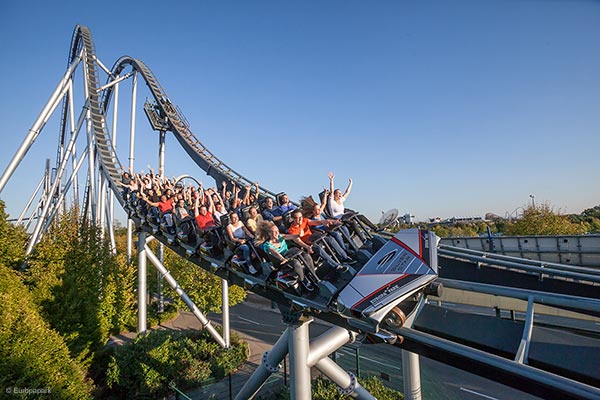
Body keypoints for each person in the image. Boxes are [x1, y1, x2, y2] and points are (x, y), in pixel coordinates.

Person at [257, 221, 318, 291]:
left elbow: (289, 236)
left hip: (288, 255)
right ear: (269, 233)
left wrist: (298, 235)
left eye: (277, 230)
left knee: (306, 255)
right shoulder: (267, 245)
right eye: (274, 232)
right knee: (295, 263)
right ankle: (303, 280)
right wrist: (282, 258)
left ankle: (313, 274)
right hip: (281, 262)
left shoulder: (280, 236)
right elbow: (275, 253)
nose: (277, 233)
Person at [287, 210, 352, 271]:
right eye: (297, 218)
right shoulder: (292, 230)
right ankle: (337, 266)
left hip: (315, 238)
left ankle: (345, 257)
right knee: (318, 248)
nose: (300, 219)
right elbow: (298, 241)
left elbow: (314, 222)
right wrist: (307, 247)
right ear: (293, 219)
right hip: (308, 244)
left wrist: (323, 222)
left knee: (330, 239)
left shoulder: (304, 220)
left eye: (300, 217)